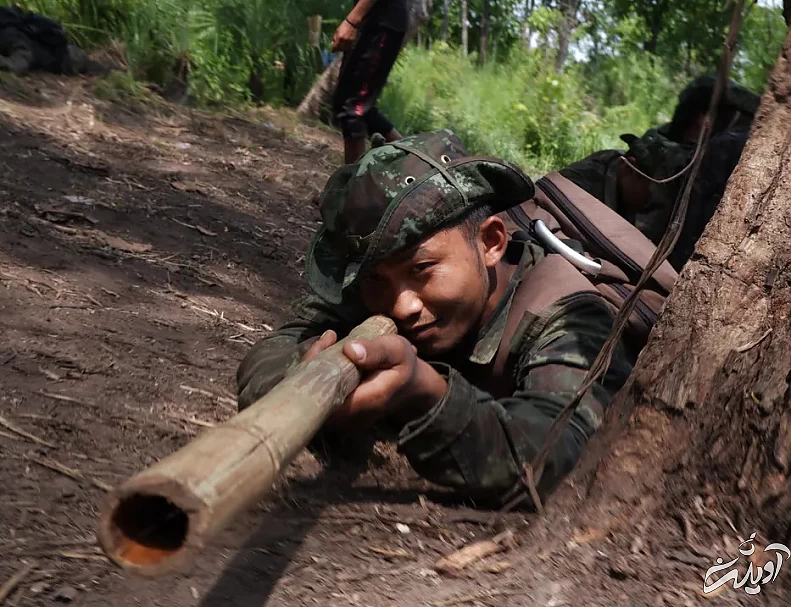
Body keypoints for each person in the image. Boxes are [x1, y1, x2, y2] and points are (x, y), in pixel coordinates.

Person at [237, 130, 635, 506]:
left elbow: (561, 456)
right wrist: (304, 378)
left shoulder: (568, 315)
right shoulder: (380, 285)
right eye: (376, 278)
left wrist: (426, 397)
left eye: (422, 269)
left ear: (490, 243)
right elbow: (276, 348)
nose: (401, 306)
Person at [332, 0, 408, 164]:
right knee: (355, 105)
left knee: (353, 109)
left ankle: (353, 186)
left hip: (380, 22)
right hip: (373, 21)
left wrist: (352, 21)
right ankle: (415, 162)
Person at [0, 6, 105, 76]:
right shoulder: (8, 29)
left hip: (69, 59)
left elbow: (20, 63)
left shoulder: (9, 34)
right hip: (64, 53)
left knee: (103, 71)